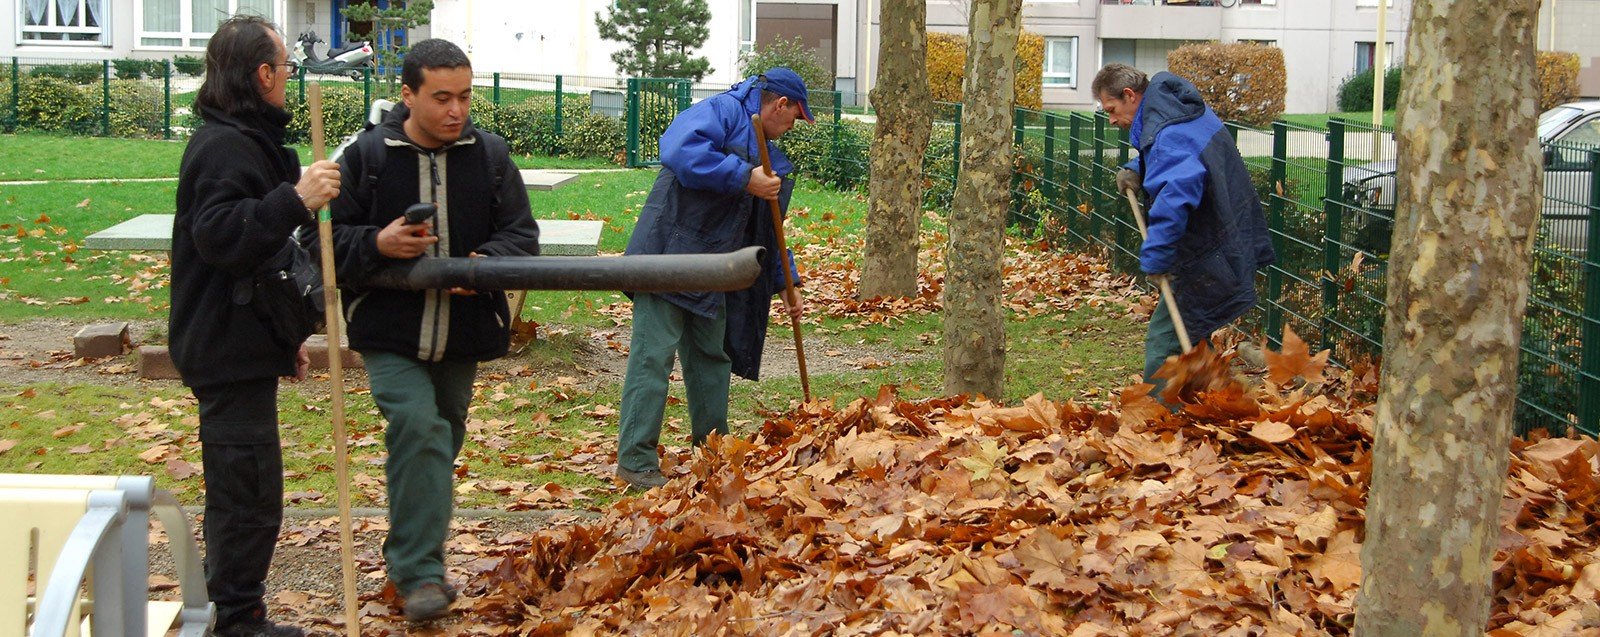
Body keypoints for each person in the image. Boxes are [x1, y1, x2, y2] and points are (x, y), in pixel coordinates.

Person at [321, 38, 539, 621]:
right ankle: (418, 574)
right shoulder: (367, 158)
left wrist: (485, 263)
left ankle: (415, 552)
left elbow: (521, 236)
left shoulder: (491, 158)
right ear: (408, 94)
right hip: (388, 333)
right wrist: (377, 243)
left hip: (464, 333)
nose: (456, 110)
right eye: (441, 98)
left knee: (440, 439)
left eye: (465, 97)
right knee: (418, 426)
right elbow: (320, 245)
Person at [170, 14, 340, 637]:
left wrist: (284, 336)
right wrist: (297, 198)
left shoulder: (247, 139)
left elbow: (268, 261)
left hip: (243, 345)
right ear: (263, 74)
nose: (290, 79)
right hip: (221, 348)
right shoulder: (223, 147)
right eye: (285, 68)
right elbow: (221, 236)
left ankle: (238, 613)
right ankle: (235, 620)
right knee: (246, 495)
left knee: (252, 489)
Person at [614, 68, 812, 491]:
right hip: (667, 256)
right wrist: (744, 177)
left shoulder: (772, 158)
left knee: (711, 359)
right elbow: (679, 148)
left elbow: (769, 230)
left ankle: (712, 452)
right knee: (653, 357)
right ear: (779, 105)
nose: (792, 127)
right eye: (794, 117)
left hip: (713, 270)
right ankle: (635, 460)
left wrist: (786, 282)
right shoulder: (720, 111)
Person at [1093, 63, 1275, 393]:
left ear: (1130, 96)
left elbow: (1176, 195)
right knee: (1190, 333)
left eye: (1112, 109)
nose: (1112, 120)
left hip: (1210, 252)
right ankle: (1205, 409)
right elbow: (1178, 158)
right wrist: (1137, 168)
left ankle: (1158, 421)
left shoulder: (1168, 130)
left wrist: (1157, 257)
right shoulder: (1174, 113)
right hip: (1222, 241)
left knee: (1165, 344)